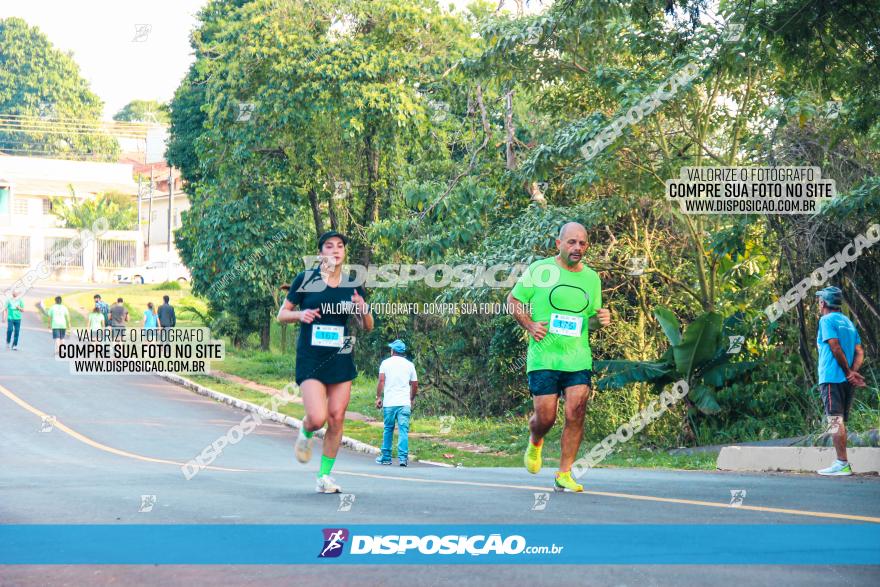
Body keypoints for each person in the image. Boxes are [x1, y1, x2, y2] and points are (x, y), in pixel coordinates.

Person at [507, 222, 611, 492]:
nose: (577, 248)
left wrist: (601, 320)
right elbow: (513, 300)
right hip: (544, 357)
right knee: (546, 418)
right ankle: (536, 439)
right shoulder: (541, 270)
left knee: (576, 411)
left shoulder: (591, 279)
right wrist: (529, 325)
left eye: (582, 243)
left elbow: (589, 323)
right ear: (559, 244)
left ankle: (564, 473)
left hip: (577, 357)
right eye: (572, 242)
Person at [277, 230, 374, 493]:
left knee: (337, 417)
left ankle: (324, 477)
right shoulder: (305, 280)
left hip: (340, 358)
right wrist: (301, 314)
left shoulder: (352, 284)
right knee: (318, 418)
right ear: (320, 253)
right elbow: (281, 315)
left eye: (340, 246)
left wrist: (362, 308)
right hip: (311, 357)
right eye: (329, 246)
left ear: (344, 253)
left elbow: (368, 326)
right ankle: (306, 431)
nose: (335, 250)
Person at [814, 286, 866, 476]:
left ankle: (842, 463)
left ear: (824, 303)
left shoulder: (826, 320)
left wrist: (846, 372)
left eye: (820, 301)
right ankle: (841, 462)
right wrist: (853, 373)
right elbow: (859, 351)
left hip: (831, 378)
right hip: (845, 380)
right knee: (840, 420)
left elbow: (834, 347)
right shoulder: (848, 323)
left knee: (835, 420)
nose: (819, 304)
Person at [375, 339, 419, 467]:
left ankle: (386, 458)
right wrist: (411, 398)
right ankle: (402, 459)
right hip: (404, 403)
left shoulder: (385, 363)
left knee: (388, 429)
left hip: (389, 403)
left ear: (393, 351)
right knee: (403, 430)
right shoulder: (410, 365)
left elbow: (381, 381)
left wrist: (378, 397)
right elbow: (415, 384)